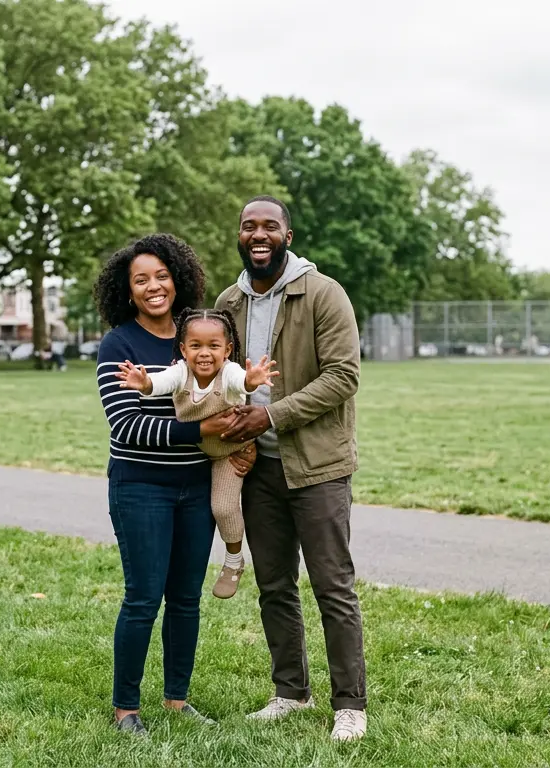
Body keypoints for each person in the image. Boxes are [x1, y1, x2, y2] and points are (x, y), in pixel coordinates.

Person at [215, 195, 368, 742]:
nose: (259, 235)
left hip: (318, 466)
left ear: (288, 234)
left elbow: (343, 376)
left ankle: (350, 704)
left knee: (333, 586)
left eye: (269, 226)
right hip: (257, 470)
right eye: (249, 226)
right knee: (275, 585)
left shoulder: (323, 293)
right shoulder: (228, 301)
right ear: (239, 235)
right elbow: (217, 373)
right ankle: (291, 693)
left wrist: (271, 415)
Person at [92, 233, 255, 736]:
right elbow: (128, 425)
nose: (153, 286)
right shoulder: (119, 343)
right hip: (141, 487)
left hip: (196, 488)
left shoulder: (200, 333)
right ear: (127, 289)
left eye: (161, 275)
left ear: (178, 278)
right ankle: (126, 709)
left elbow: (230, 396)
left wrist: (239, 439)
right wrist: (202, 431)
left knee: (185, 598)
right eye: (140, 279)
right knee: (143, 597)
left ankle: (177, 699)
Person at [114, 308, 278, 599]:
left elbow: (240, 382)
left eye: (214, 346)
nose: (205, 354)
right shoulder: (180, 372)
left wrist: (251, 381)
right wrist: (145, 384)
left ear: (227, 350)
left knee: (224, 508)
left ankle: (233, 561)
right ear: (182, 349)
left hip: (230, 454)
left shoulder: (228, 372)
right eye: (196, 346)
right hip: (201, 454)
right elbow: (161, 382)